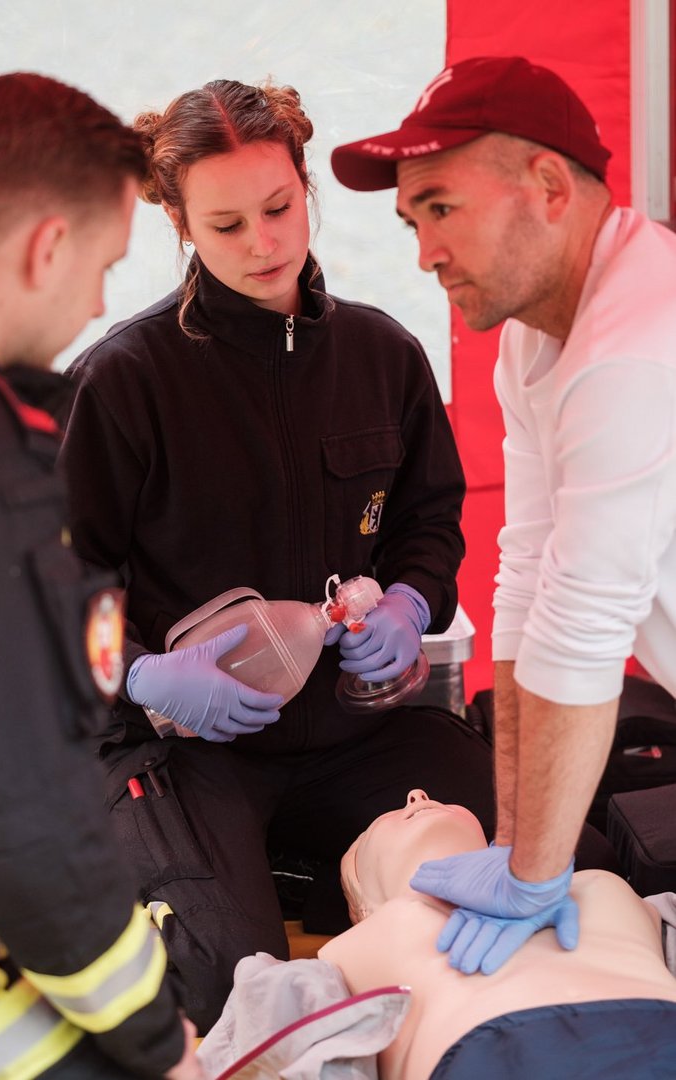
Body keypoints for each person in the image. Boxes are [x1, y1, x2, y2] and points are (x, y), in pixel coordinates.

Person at [58, 76, 499, 1034]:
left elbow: (431, 523)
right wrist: (144, 676)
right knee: (224, 984)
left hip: (360, 736)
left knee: (499, 897)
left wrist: (411, 607)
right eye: (225, 225)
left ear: (306, 186)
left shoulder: (384, 356)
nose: (263, 244)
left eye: (278, 208)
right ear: (178, 222)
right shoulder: (120, 383)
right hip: (190, 752)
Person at [330, 54, 676, 973]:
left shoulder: (634, 344)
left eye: (441, 208)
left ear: (550, 186)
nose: (423, 252)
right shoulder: (532, 338)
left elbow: (586, 624)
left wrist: (536, 873)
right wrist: (521, 844)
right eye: (411, 221)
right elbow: (526, 579)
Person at [0, 72, 201, 1078]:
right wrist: (152, 1034)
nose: (95, 304)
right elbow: (24, 821)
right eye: (102, 267)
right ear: (47, 246)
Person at [198, 792, 676, 1079]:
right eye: (376, 828)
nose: (417, 796)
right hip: (506, 1058)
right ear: (360, 905)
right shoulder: (344, 952)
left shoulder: (588, 882)